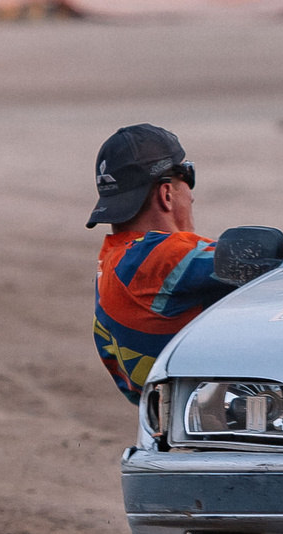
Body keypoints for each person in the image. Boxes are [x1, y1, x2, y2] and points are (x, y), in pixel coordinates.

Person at [89, 124, 235, 403]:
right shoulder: (158, 258)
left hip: (168, 423)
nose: (192, 195)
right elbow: (281, 259)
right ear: (166, 194)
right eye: (188, 178)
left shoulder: (110, 266)